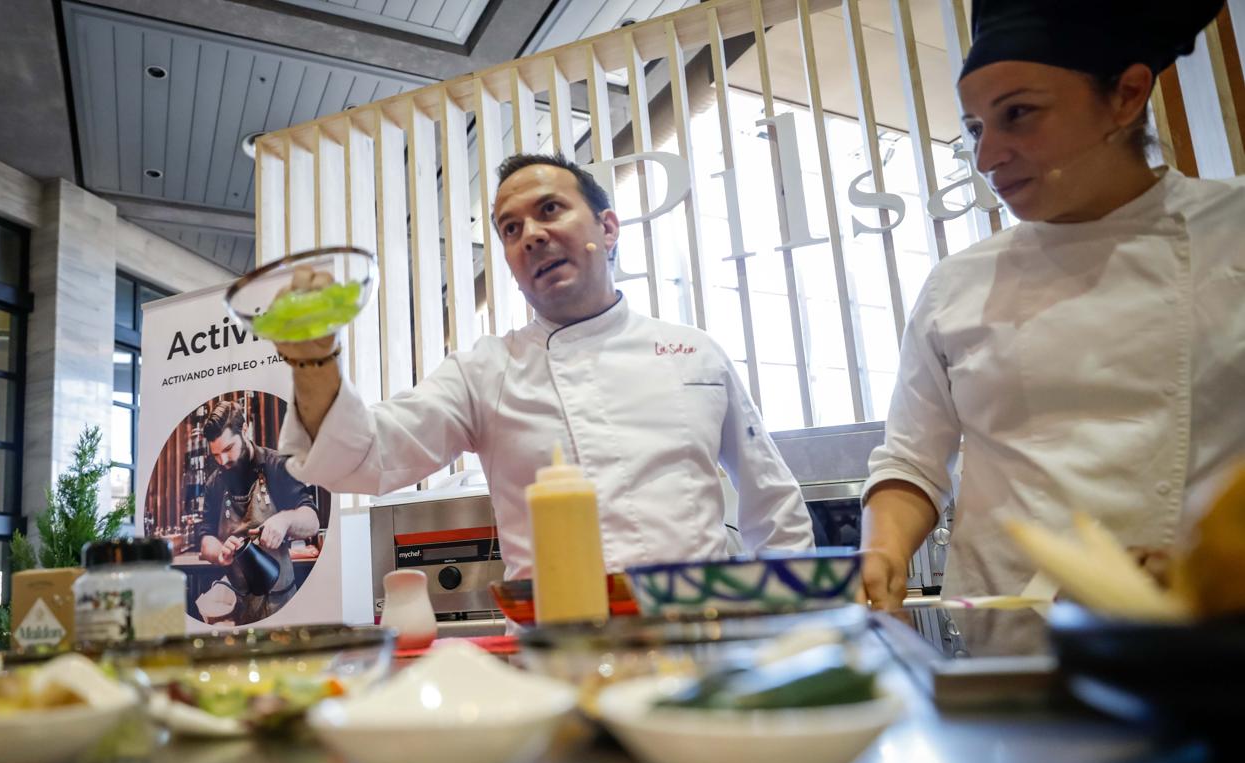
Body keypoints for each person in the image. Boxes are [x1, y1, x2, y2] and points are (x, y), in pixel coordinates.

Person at [859, 0, 1243, 607]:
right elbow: (911, 461)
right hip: (1013, 642)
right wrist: (881, 552)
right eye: (976, 129)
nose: (987, 158)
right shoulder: (957, 284)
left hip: (1208, 634)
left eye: (1018, 114)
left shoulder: (1234, 227)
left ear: (1126, 95)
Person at [275, 153, 814, 578]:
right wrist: (313, 357)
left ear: (607, 228)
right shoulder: (485, 371)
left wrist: (799, 633)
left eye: (549, 210)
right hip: (561, 660)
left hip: (703, 645)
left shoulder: (694, 353)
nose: (529, 234)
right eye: (510, 229)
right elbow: (364, 456)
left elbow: (773, 507)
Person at [194, 401, 320, 623]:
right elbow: (206, 538)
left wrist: (285, 520)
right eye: (216, 455)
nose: (222, 461)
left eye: (227, 449)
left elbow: (312, 521)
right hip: (237, 606)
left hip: (281, 603)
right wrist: (220, 551)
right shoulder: (215, 482)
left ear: (245, 431)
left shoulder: (277, 466)